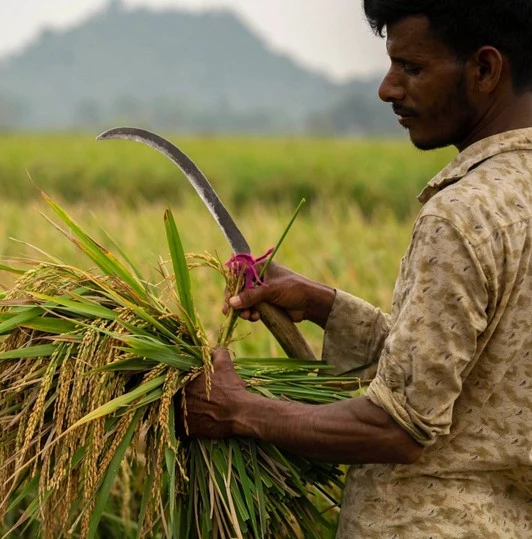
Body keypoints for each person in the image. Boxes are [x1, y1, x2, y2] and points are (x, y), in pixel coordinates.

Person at [181, 1, 532, 536]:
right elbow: (465, 376)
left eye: (411, 67)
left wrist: (237, 411)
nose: (387, 89)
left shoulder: (462, 215)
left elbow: (398, 427)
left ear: (485, 70)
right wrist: (325, 305)